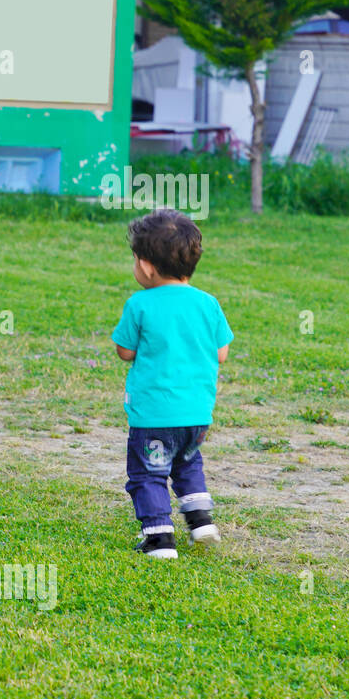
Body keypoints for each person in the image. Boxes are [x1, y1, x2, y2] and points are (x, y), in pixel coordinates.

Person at [112, 210, 234, 559]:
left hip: (154, 415)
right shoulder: (208, 303)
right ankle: (201, 521)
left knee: (149, 473)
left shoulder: (139, 304)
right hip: (196, 414)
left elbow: (125, 351)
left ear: (146, 266)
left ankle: (159, 538)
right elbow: (221, 353)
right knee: (187, 463)